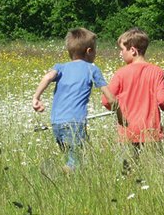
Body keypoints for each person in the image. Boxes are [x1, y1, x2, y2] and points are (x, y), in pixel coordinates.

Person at [32, 27, 116, 173]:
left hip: (56, 122)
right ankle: (54, 172)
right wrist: (118, 108)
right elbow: (110, 97)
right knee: (77, 163)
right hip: (75, 123)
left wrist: (36, 97)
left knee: (72, 156)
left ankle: (63, 180)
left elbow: (47, 77)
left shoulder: (61, 67)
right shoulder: (92, 69)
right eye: (95, 50)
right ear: (89, 51)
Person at [101, 27, 164, 173]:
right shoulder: (157, 72)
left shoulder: (121, 73)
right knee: (154, 173)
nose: (120, 53)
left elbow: (106, 101)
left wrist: (119, 109)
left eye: (122, 49)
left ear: (132, 50)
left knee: (127, 172)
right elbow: (163, 102)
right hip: (151, 132)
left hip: (128, 133)